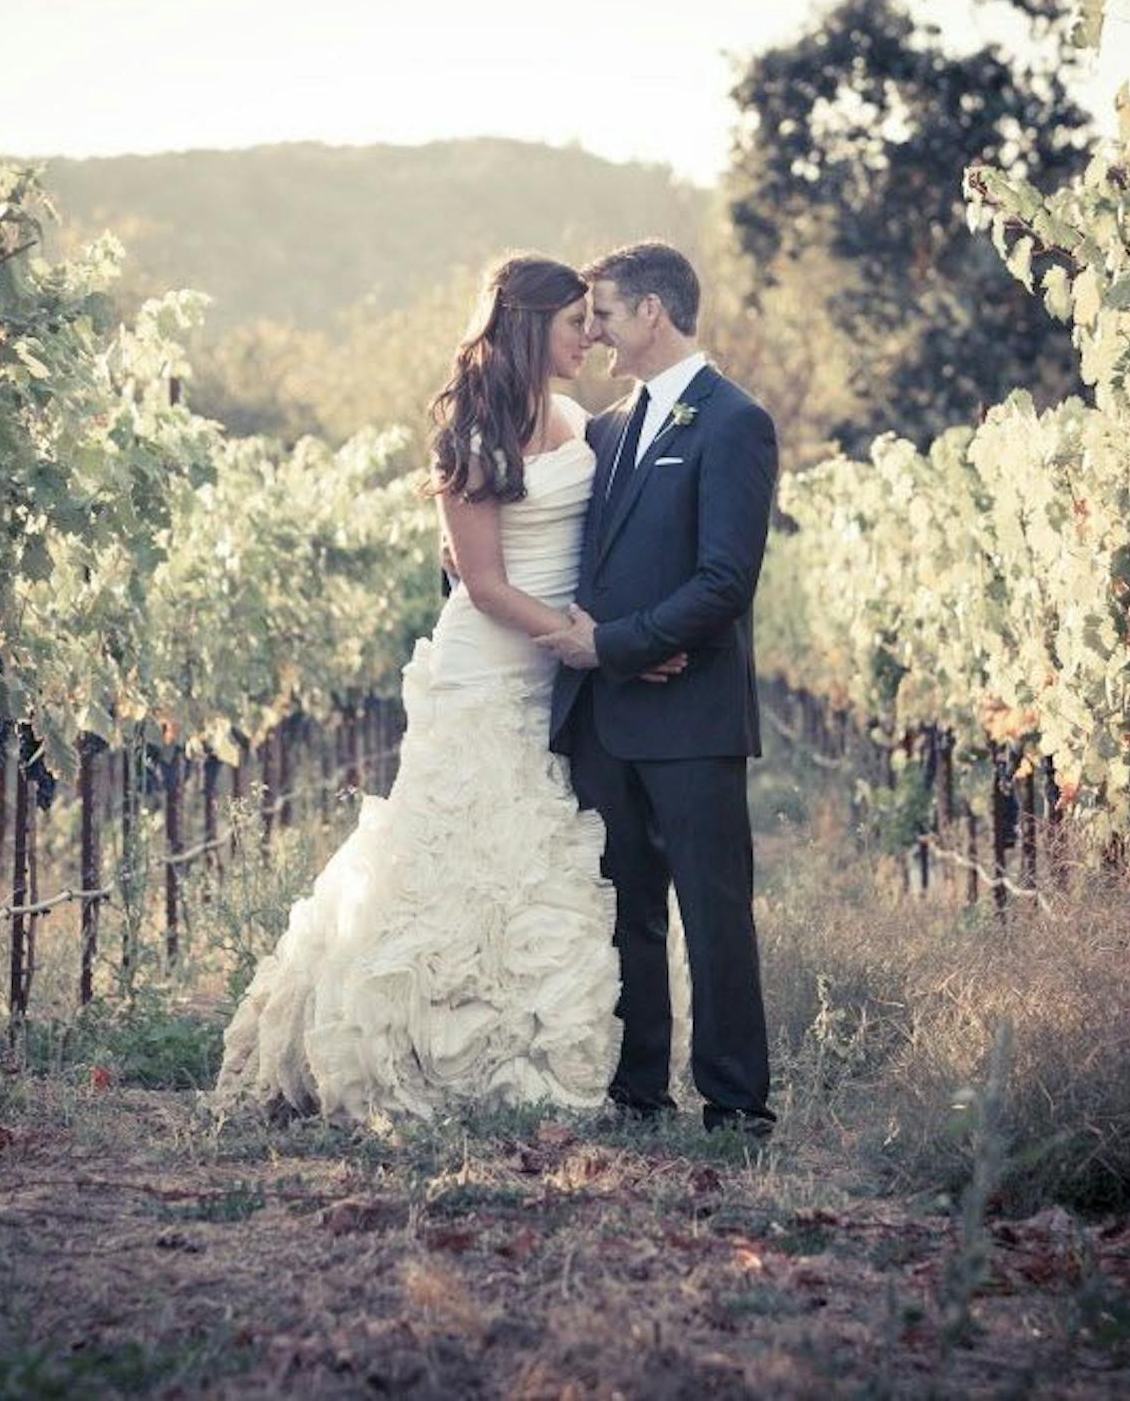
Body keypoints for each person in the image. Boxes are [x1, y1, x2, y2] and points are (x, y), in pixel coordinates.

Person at [215, 253, 647, 1122]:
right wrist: (573, 640)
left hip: (556, 669)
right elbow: (480, 583)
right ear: (530, 328)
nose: (590, 338)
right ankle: (414, 1048)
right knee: (460, 846)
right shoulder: (472, 436)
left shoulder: (571, 416)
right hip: (491, 664)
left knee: (532, 856)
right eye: (575, 324)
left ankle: (525, 1043)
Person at [533, 240, 780, 1138]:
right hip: (607, 720)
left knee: (713, 913)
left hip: (691, 718)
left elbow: (725, 581)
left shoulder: (733, 422)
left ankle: (736, 1100)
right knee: (626, 907)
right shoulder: (604, 429)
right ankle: (639, 1088)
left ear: (651, 313)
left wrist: (622, 647)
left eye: (602, 312)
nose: (591, 330)